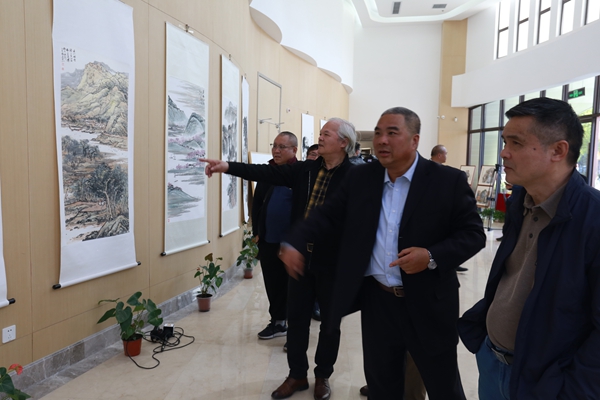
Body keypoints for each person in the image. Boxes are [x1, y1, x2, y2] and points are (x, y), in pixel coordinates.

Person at [280, 106, 486, 399]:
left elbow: (473, 234)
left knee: (443, 386)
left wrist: (431, 256)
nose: (382, 140)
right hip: (378, 302)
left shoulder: (446, 181)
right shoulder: (363, 177)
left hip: (427, 302)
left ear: (414, 140)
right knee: (382, 385)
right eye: (378, 133)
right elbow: (326, 214)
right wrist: (294, 241)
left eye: (392, 133)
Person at [202, 117, 357, 400]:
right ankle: (297, 375)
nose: (320, 137)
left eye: (326, 133)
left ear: (343, 142)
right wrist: (227, 167)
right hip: (300, 259)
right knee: (296, 320)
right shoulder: (305, 170)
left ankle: (323, 375)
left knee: (330, 324)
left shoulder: (355, 176)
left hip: (332, 263)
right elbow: (265, 172)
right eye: (321, 133)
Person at [458, 97, 600, 399]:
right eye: (504, 141)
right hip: (492, 360)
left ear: (558, 151)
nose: (504, 152)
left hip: (547, 381)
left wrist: (571, 391)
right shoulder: (520, 201)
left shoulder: (593, 219)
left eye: (517, 143)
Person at [253, 132, 298, 341]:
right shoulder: (268, 172)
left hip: (292, 245)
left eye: (282, 147)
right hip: (268, 240)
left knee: (293, 287)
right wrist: (257, 232)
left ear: (294, 150)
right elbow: (257, 203)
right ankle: (278, 322)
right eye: (274, 146)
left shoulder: (300, 174)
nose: (276, 151)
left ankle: (295, 329)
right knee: (273, 283)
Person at [430, 144, 469, 273]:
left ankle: (453, 263)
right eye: (445, 154)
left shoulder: (447, 172)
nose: (446, 156)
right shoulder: (429, 171)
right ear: (439, 155)